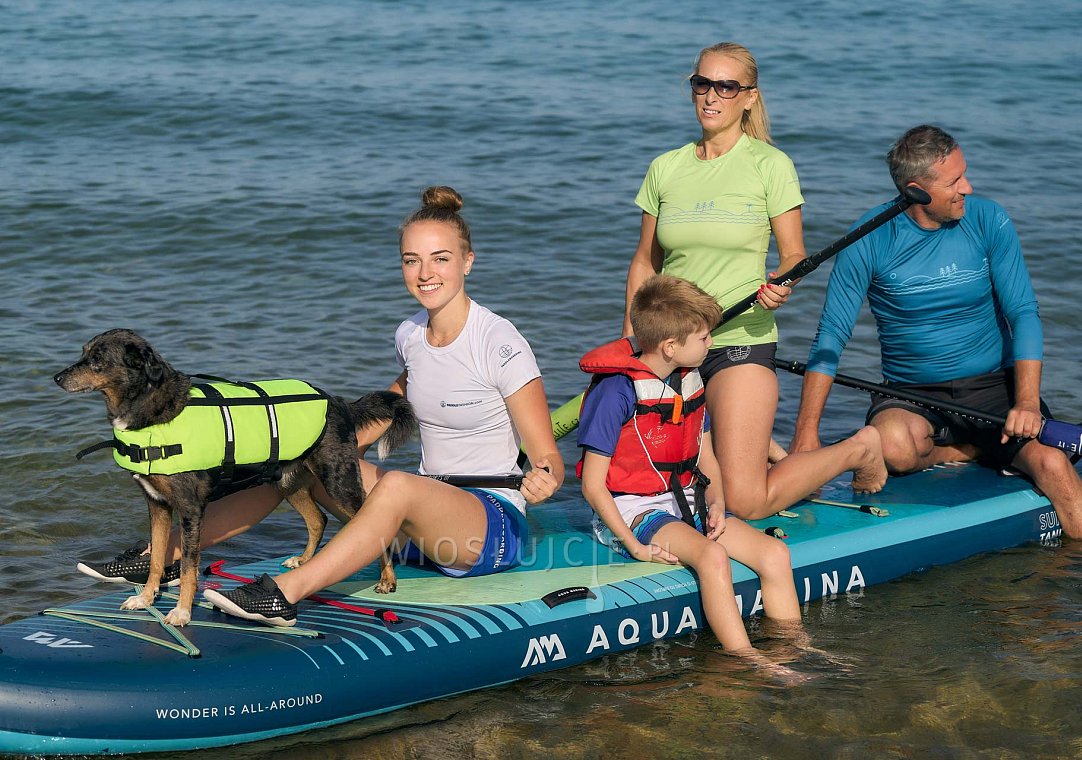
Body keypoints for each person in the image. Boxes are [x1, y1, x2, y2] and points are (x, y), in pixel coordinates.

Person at [84, 186, 565, 624]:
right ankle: (160, 558)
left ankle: (285, 593)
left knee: (397, 485)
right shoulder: (411, 335)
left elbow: (548, 458)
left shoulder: (499, 342)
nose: (424, 274)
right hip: (421, 530)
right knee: (300, 455)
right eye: (411, 260)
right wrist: (315, 441)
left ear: (468, 261)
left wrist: (545, 477)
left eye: (440, 259)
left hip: (487, 528)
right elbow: (395, 405)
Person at [789, 125, 1082, 543]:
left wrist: (1027, 403)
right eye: (954, 181)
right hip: (913, 391)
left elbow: (1024, 313)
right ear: (917, 191)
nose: (967, 187)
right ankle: (971, 446)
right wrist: (806, 431)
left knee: (1052, 465)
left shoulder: (988, 219)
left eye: (964, 174)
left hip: (995, 386)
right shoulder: (868, 239)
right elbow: (831, 334)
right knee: (893, 448)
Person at [623, 41, 886, 518]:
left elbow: (793, 254)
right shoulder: (666, 167)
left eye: (726, 86)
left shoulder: (770, 165)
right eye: (702, 83)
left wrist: (781, 283)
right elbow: (645, 262)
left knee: (743, 502)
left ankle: (859, 448)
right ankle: (762, 446)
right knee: (666, 492)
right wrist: (632, 334)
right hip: (670, 346)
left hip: (739, 340)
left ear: (749, 97)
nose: (711, 96)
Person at [578, 274, 803, 662]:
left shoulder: (689, 377)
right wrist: (636, 547)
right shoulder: (615, 392)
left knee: (775, 555)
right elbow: (592, 487)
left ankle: (796, 646)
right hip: (633, 510)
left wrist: (716, 503)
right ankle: (747, 657)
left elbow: (705, 456)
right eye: (703, 338)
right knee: (712, 557)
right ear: (670, 346)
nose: (711, 343)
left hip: (685, 501)